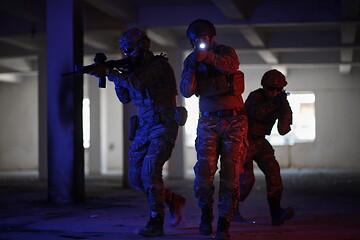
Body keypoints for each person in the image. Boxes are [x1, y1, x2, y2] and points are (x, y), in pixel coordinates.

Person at [86, 28, 186, 237]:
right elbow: (125, 97)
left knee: (150, 171)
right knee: (135, 177)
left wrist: (111, 73)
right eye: (124, 51)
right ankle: (171, 199)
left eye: (129, 50)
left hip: (163, 124)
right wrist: (116, 74)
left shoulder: (159, 65)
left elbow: (138, 84)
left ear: (142, 46)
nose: (127, 55)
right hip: (144, 125)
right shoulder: (132, 68)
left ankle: (155, 222)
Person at [180, 19, 248, 240]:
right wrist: (192, 65)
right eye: (195, 40)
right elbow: (186, 91)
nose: (199, 43)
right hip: (208, 122)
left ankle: (224, 222)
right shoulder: (191, 60)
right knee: (204, 174)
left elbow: (231, 66)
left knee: (230, 175)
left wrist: (207, 57)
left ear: (212, 37)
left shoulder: (225, 52)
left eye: (203, 39)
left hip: (234, 122)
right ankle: (206, 215)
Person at [234, 69, 295, 226]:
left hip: (260, 141)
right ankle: (231, 209)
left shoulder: (280, 102)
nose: (274, 93)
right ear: (264, 87)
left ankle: (276, 214)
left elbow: (283, 130)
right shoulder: (256, 96)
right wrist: (274, 104)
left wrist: (284, 111)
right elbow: (256, 113)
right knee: (246, 182)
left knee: (273, 172)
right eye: (271, 89)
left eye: (278, 90)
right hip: (244, 141)